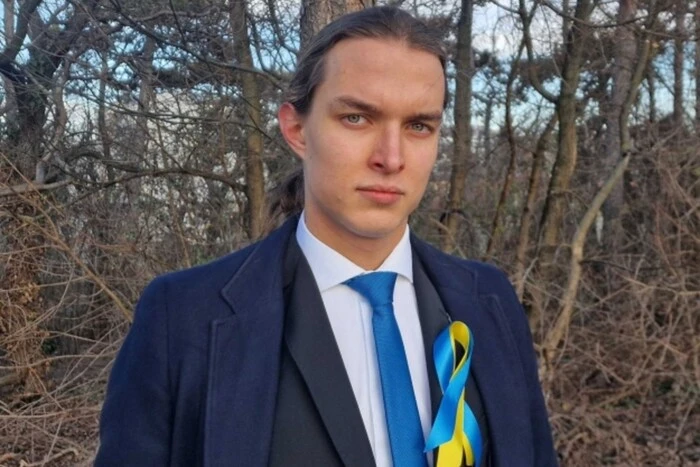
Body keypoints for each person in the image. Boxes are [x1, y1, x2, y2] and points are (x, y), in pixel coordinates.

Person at [96, 6, 557, 467]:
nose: (391, 158)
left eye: (418, 125)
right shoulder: (184, 320)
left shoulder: (490, 301)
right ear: (296, 128)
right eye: (357, 118)